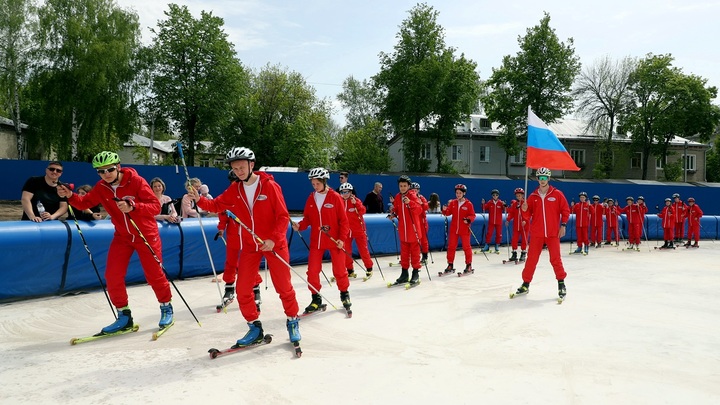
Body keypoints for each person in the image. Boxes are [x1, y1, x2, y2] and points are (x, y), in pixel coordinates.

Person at [189, 147, 301, 346]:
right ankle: (254, 327)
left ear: (251, 165)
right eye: (235, 168)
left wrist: (274, 239)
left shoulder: (269, 186)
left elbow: (283, 216)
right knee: (242, 290)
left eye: (241, 167)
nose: (239, 171)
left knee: (283, 286)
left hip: (275, 245)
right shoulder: (236, 189)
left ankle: (292, 320)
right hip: (251, 245)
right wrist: (199, 200)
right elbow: (216, 205)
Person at [56, 151, 173, 334]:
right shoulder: (101, 187)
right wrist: (70, 195)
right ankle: (124, 316)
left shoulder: (136, 181)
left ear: (118, 167)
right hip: (123, 237)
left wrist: (133, 206)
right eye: (100, 172)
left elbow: (155, 206)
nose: (106, 174)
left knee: (154, 274)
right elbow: (83, 202)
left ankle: (166, 306)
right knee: (112, 275)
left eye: (109, 169)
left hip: (145, 235)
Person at [292, 167, 352, 314]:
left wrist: (342, 239)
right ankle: (316, 298)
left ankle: (344, 294)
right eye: (313, 184)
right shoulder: (311, 198)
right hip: (316, 242)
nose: (315, 187)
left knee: (339, 270)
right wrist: (299, 226)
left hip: (334, 240)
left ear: (324, 182)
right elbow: (307, 219)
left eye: (317, 184)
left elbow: (344, 221)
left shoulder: (335, 197)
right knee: (312, 271)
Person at [513, 167, 569, 301]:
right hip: (537, 233)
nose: (542, 180)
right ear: (537, 179)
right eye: (540, 178)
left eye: (545, 178)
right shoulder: (533, 196)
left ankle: (561, 283)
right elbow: (527, 216)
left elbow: (565, 210)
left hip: (552, 233)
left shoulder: (557, 194)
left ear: (549, 178)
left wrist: (563, 225)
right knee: (531, 259)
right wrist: (524, 209)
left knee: (555, 259)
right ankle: (525, 283)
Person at [214, 170, 263, 309]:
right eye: (233, 181)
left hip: (249, 235)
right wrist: (221, 227)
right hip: (234, 235)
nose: (235, 184)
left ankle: (255, 290)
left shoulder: (249, 194)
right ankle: (229, 289)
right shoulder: (228, 195)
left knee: (249, 264)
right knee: (230, 262)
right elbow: (222, 214)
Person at [388, 175, 423, 284]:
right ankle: (404, 273)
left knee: (415, 253)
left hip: (413, 230)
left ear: (409, 186)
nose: (402, 188)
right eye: (401, 186)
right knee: (404, 253)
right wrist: (393, 214)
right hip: (403, 230)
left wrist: (410, 202)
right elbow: (397, 209)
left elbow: (419, 210)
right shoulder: (398, 197)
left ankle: (415, 273)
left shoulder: (412, 196)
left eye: (404, 186)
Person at [338, 182, 374, 278]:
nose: (345, 194)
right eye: (343, 192)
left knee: (363, 250)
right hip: (346, 231)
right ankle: (350, 270)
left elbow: (363, 211)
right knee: (346, 251)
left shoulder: (355, 200)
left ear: (351, 192)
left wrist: (356, 204)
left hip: (358, 230)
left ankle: (369, 268)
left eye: (347, 192)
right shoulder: (340, 201)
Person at [440, 184, 476, 274]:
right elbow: (447, 213)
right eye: (457, 193)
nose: (458, 194)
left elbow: (473, 215)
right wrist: (444, 210)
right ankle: (450, 264)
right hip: (454, 229)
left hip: (464, 229)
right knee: (451, 247)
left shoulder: (468, 204)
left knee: (466, 247)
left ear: (464, 193)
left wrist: (468, 220)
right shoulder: (453, 203)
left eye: (460, 193)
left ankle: (468, 265)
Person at [506, 188, 528, 262]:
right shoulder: (515, 204)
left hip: (524, 226)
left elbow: (529, 213)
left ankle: (523, 252)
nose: (518, 197)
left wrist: (525, 220)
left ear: (522, 195)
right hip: (516, 225)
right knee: (514, 239)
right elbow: (511, 213)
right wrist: (508, 220)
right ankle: (514, 253)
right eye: (517, 196)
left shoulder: (525, 203)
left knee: (524, 239)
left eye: (520, 195)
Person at [481, 189, 505, 253]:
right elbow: (484, 208)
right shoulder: (490, 202)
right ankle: (487, 246)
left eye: (496, 195)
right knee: (489, 233)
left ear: (498, 196)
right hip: (491, 221)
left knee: (499, 234)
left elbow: (506, 209)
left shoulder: (500, 202)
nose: (495, 196)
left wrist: (505, 205)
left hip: (499, 221)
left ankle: (497, 246)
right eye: (493, 195)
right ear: (492, 196)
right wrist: (483, 204)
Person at [412, 182, 430, 263]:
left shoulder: (421, 197)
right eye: (412, 190)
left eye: (416, 190)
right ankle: (410, 257)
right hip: (413, 222)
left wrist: (421, 203)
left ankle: (425, 256)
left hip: (422, 222)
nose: (414, 192)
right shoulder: (408, 198)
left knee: (423, 240)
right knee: (412, 240)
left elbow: (426, 206)